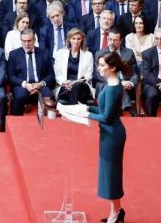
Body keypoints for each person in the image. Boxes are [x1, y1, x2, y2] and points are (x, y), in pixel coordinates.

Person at [78, 52, 128, 223]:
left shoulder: (114, 87)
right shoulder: (110, 83)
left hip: (112, 136)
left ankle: (115, 214)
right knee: (109, 174)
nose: (98, 68)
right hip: (108, 134)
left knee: (111, 175)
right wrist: (83, 109)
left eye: (102, 65)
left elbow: (106, 117)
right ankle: (117, 211)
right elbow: (101, 111)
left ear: (112, 68)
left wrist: (84, 115)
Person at [6, 29, 55, 115]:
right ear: (20, 40)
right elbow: (11, 76)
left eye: (29, 41)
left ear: (34, 40)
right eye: (24, 41)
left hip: (40, 85)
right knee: (20, 96)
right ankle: (16, 123)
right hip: (22, 86)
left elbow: (51, 75)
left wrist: (40, 84)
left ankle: (50, 124)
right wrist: (26, 84)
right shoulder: (13, 54)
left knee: (49, 95)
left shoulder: (44, 53)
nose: (26, 44)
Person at [93, 28, 140, 116]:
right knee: (116, 86)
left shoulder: (128, 53)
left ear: (121, 40)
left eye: (115, 40)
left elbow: (135, 73)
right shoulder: (100, 53)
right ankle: (129, 108)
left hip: (127, 87)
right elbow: (99, 75)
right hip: (106, 84)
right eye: (110, 39)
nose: (111, 42)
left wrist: (131, 83)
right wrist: (119, 83)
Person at [53, 29, 94, 105]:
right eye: (73, 38)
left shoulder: (88, 55)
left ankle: (71, 110)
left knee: (78, 87)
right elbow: (57, 73)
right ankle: (75, 110)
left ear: (82, 40)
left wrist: (74, 83)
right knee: (73, 90)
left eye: (79, 39)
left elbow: (89, 76)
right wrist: (64, 82)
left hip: (81, 85)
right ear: (69, 40)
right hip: (65, 85)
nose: (76, 41)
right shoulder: (60, 53)